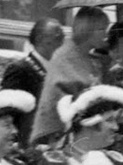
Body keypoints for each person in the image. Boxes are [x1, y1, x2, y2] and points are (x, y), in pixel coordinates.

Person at [31, 8, 110, 144]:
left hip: (80, 132)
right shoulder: (65, 55)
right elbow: (66, 92)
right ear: (88, 29)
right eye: (102, 29)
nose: (106, 34)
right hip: (56, 135)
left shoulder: (89, 57)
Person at [1, 19, 65, 143]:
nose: (62, 42)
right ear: (40, 39)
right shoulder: (20, 69)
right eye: (58, 37)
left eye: (63, 38)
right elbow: (7, 113)